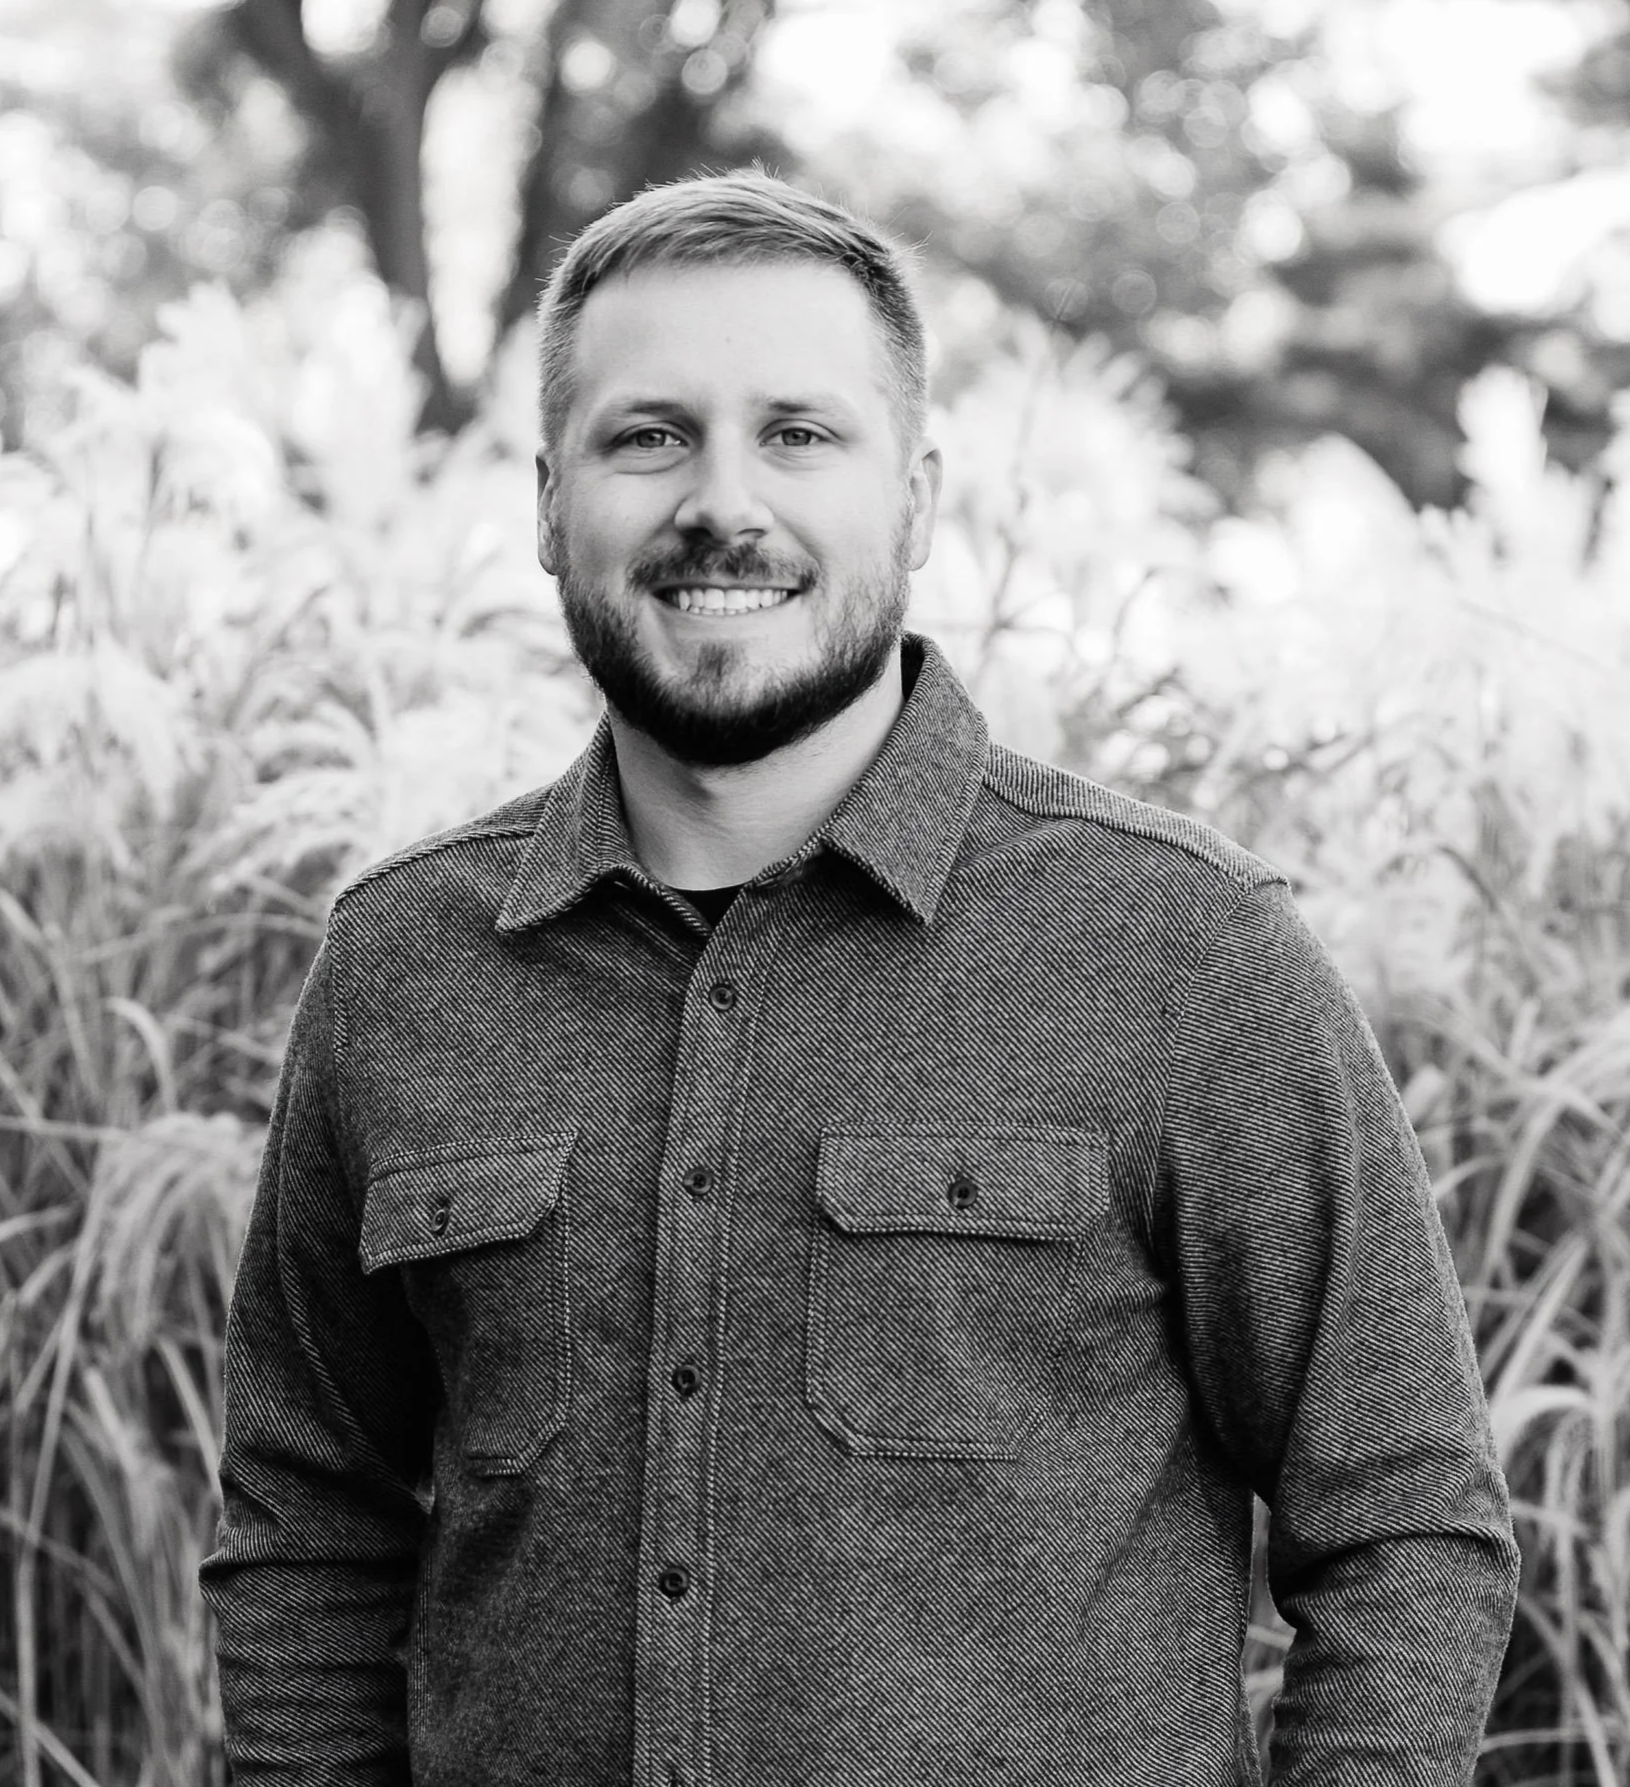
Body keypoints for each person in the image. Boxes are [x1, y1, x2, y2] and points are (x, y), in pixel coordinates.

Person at [199, 170, 1520, 1786]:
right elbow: (303, 1525)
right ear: (549, 501)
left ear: (915, 492)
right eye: (648, 435)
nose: (721, 502)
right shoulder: (403, 964)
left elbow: (1401, 1521)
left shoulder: (1180, 949)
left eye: (799, 434)